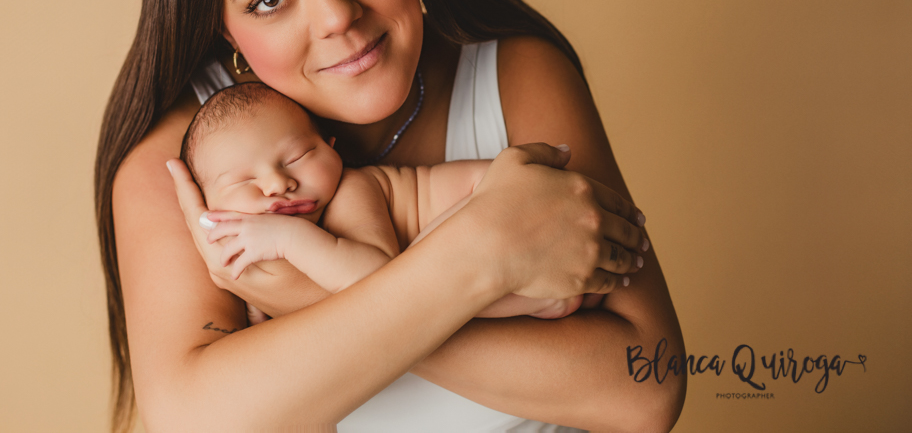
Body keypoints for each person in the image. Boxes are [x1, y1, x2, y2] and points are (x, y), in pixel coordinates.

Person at [95, 0, 686, 433]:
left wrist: (308, 295)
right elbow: (194, 420)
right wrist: (478, 256)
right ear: (225, 31)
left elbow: (646, 391)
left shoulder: (517, 77)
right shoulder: (188, 164)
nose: (336, 16)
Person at [182, 82, 639, 318]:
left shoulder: (352, 193)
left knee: (442, 282)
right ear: (209, 207)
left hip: (523, 208)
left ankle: (540, 300)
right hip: (532, 240)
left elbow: (382, 286)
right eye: (243, 182)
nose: (278, 184)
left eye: (299, 156)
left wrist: (287, 241)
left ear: (332, 146)